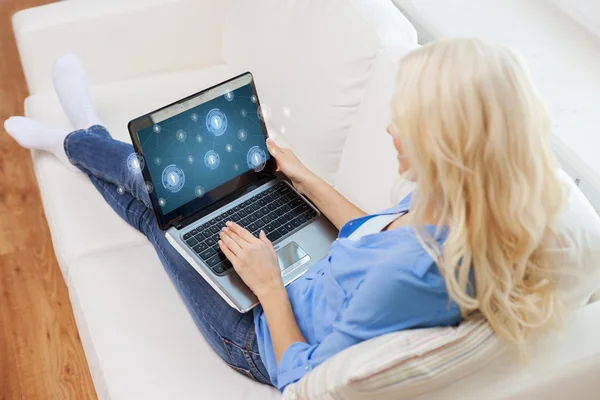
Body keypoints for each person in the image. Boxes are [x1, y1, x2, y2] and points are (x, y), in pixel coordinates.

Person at [4, 38, 573, 392]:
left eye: (407, 121)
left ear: (448, 144)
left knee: (163, 216)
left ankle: (74, 137)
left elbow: (302, 377)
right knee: (177, 201)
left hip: (258, 331)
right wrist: (304, 177)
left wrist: (268, 284)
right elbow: (373, 236)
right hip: (301, 276)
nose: (390, 128)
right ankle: (83, 135)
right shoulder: (462, 209)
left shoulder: (413, 278)